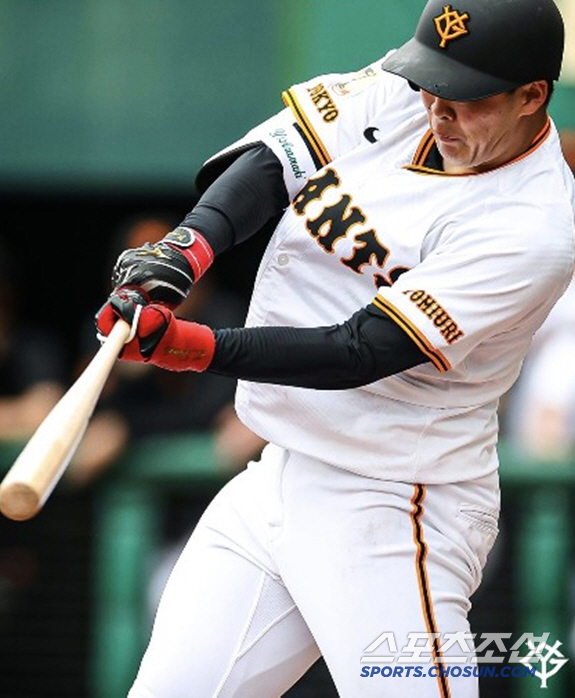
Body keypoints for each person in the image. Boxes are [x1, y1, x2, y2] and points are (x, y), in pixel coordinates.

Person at [95, 0, 574, 695]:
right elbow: (277, 158)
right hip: (278, 480)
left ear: (532, 96)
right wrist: (187, 248)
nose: (437, 108)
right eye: (431, 84)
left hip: (394, 504)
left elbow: (360, 351)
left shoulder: (534, 223)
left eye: (465, 98)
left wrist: (193, 347)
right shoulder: (417, 89)